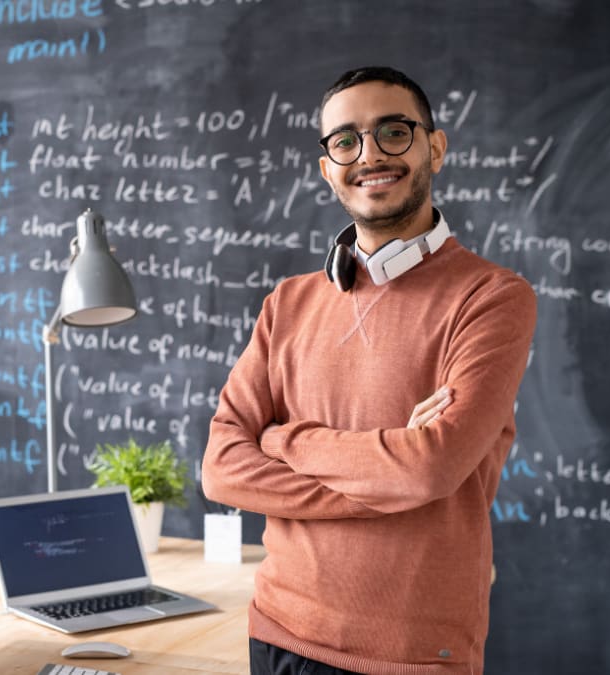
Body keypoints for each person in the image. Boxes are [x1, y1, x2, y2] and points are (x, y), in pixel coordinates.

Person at [201, 66, 538, 675]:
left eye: (393, 132)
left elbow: (430, 467)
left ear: (434, 146)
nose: (370, 155)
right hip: (278, 633)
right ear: (328, 166)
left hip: (411, 654)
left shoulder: (492, 298)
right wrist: (390, 475)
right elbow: (222, 469)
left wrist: (282, 440)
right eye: (346, 141)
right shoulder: (288, 303)